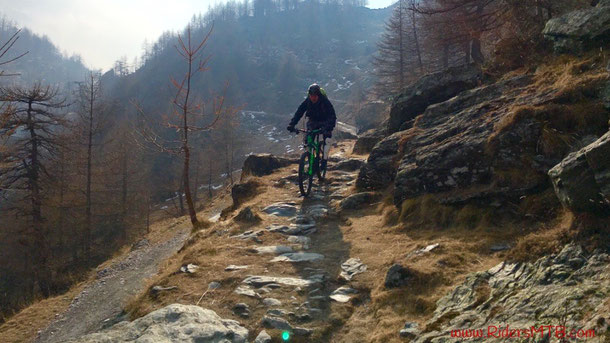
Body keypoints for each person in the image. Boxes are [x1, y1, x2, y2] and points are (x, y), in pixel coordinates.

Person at [287, 83, 336, 169]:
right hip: (313, 121)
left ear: (318, 95)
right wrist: (292, 124)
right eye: (311, 96)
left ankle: (324, 160)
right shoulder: (307, 101)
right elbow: (299, 113)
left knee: (327, 139)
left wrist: (328, 127)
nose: (313, 98)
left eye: (315, 96)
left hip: (325, 121)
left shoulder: (325, 102)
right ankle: (310, 159)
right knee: (308, 141)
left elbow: (332, 116)